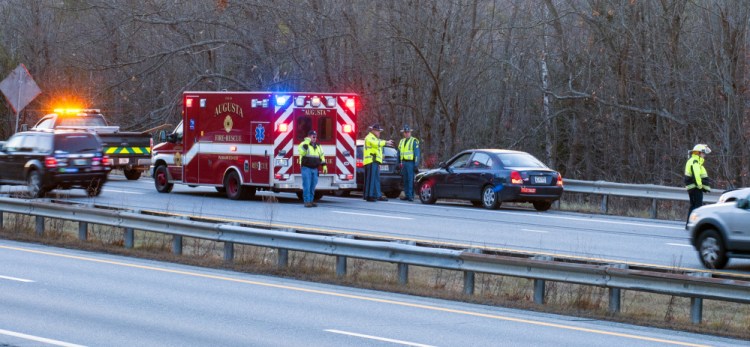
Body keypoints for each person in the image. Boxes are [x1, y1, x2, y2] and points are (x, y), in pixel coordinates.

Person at [363, 123, 393, 202]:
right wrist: (386, 142)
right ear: (373, 131)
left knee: (375, 179)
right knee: (372, 179)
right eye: (378, 131)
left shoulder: (374, 138)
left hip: (375, 161)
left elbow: (378, 145)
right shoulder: (369, 137)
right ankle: (370, 195)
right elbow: (376, 144)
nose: (379, 133)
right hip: (371, 160)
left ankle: (377, 195)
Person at [685, 144, 711, 227]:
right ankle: (693, 225)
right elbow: (696, 176)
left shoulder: (695, 161)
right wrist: (700, 186)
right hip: (695, 187)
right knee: (697, 207)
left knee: (694, 206)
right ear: (699, 153)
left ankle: (689, 224)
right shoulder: (695, 161)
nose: (704, 155)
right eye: (703, 153)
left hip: (693, 187)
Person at [299, 130, 327, 207]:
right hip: (306, 168)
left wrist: (324, 165)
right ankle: (307, 201)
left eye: (315, 136)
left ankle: (311, 200)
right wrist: (307, 142)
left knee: (312, 186)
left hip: (315, 169)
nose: (314, 138)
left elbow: (321, 156)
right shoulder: (303, 144)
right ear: (309, 136)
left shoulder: (318, 146)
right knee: (307, 185)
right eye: (313, 136)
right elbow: (303, 152)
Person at [397, 125, 420, 201]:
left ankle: (410, 195)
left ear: (410, 132)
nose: (406, 133)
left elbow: (417, 154)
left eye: (408, 132)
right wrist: (398, 163)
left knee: (410, 179)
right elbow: (398, 153)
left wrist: (416, 164)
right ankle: (406, 195)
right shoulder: (401, 141)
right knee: (405, 179)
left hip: (410, 163)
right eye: (405, 132)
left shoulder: (414, 141)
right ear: (403, 133)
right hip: (403, 162)